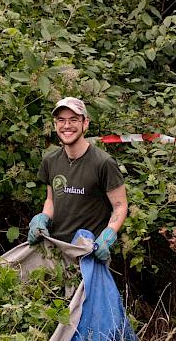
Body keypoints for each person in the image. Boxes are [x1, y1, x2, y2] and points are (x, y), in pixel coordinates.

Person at [28, 97, 128, 261]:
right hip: (55, 249)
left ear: (85, 123)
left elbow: (120, 206)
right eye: (61, 120)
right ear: (55, 125)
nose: (67, 126)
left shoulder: (103, 163)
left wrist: (108, 235)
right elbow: (51, 199)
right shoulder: (50, 160)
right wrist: (43, 218)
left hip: (89, 252)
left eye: (73, 120)